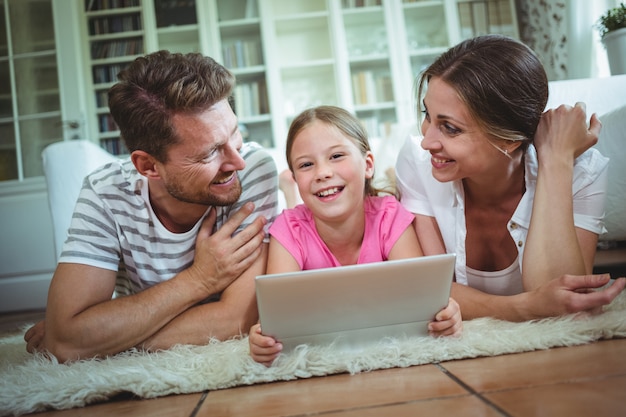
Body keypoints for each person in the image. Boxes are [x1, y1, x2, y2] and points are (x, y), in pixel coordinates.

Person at [24, 51, 279, 362]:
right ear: (148, 166)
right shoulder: (106, 193)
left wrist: (104, 337)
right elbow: (67, 339)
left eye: (235, 133)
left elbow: (235, 319)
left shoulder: (253, 169)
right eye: (209, 153)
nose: (236, 161)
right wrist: (199, 279)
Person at [395, 34, 626, 322]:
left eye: (450, 128)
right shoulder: (417, 163)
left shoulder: (580, 170)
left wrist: (554, 160)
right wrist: (525, 307)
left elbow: (565, 307)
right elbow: (431, 291)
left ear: (509, 140)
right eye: (427, 115)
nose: (427, 141)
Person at [249, 106, 462, 366]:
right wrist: (263, 339)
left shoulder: (390, 215)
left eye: (336, 156)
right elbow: (276, 319)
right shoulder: (288, 228)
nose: (322, 173)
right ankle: (291, 191)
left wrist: (446, 315)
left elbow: (423, 302)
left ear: (368, 165)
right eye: (306, 165)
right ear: (296, 178)